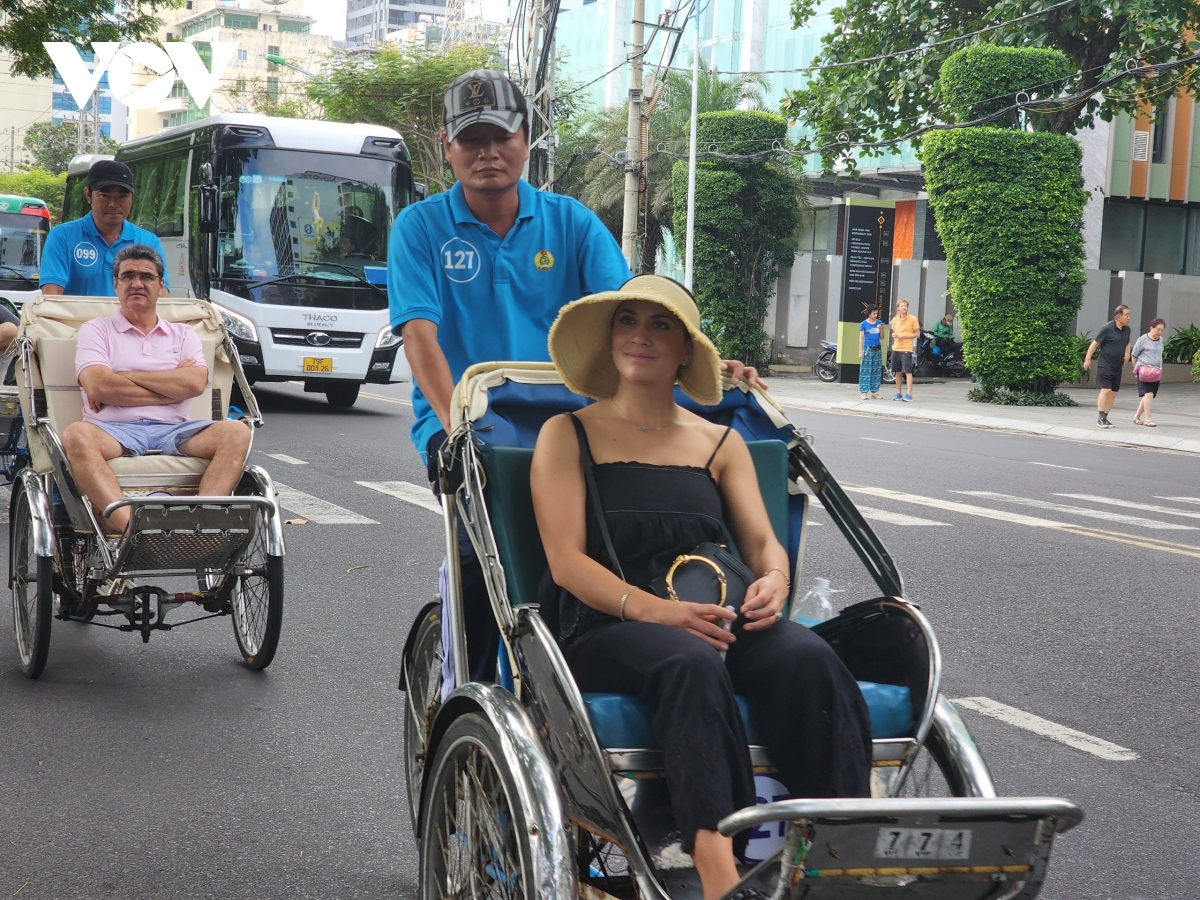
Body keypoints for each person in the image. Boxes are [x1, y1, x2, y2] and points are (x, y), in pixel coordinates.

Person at [389, 69, 762, 681]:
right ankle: (477, 694)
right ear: (448, 147)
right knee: (489, 556)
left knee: (621, 535)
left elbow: (632, 323)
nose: (488, 153)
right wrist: (458, 427)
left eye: (501, 136)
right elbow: (420, 337)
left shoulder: (572, 223)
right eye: (471, 140)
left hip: (576, 421)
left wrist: (703, 363)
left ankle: (601, 664)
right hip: (469, 422)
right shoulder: (421, 228)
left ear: (527, 138)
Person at [531, 275, 872, 900]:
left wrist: (775, 577)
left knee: (808, 658)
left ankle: (841, 853)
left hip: (714, 615)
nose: (640, 336)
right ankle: (719, 875)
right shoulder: (567, 434)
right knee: (687, 660)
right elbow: (565, 563)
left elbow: (763, 543)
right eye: (627, 321)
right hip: (606, 626)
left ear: (686, 350)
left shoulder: (720, 441)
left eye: (660, 325)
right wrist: (659, 613)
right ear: (609, 340)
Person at [61, 245, 251, 536]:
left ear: (161, 285)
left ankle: (199, 527)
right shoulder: (96, 330)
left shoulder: (184, 333)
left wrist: (125, 376)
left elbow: (194, 384)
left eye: (146, 277)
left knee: (238, 432)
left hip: (174, 429)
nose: (137, 283)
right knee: (75, 434)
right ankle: (132, 532)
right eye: (128, 276)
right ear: (116, 285)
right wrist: (172, 387)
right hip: (113, 430)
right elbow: (99, 384)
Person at [39, 160, 169, 298]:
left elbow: (161, 298)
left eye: (122, 196)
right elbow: (52, 298)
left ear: (132, 198)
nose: (113, 204)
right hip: (77, 320)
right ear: (88, 195)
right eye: (105, 195)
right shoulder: (62, 236)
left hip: (131, 321)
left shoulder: (149, 242)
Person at [1082, 304, 1132, 429]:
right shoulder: (1107, 328)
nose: (1129, 318)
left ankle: (1105, 417)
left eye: (1129, 315)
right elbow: (1095, 344)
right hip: (1105, 365)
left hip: (1117, 366)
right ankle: (1100, 418)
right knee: (1106, 390)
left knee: (1113, 393)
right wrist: (1087, 359)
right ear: (1118, 316)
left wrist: (1127, 354)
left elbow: (1127, 342)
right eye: (1127, 315)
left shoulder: (1127, 329)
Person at [1132, 317, 1166, 427]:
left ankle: (1136, 417)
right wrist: (1136, 370)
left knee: (1148, 396)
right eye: (1158, 330)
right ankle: (1148, 419)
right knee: (1148, 394)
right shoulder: (1142, 339)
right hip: (1144, 371)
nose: (1159, 332)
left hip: (1155, 372)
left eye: (1162, 330)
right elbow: (1134, 355)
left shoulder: (1161, 340)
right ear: (1151, 327)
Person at [889, 298, 920, 402]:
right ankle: (898, 392)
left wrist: (904, 336)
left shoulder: (912, 319)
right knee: (897, 371)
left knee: (907, 371)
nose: (904, 307)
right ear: (898, 307)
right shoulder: (895, 320)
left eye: (905, 306)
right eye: (902, 306)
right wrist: (895, 335)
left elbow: (917, 334)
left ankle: (909, 394)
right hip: (896, 348)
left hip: (907, 348)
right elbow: (895, 332)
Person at [857, 305, 883, 398]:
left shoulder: (879, 323)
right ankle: (864, 392)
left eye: (877, 313)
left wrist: (881, 329)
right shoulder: (864, 324)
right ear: (869, 313)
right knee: (865, 370)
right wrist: (860, 351)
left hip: (877, 348)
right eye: (874, 313)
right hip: (868, 348)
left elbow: (882, 337)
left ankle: (874, 391)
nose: (876, 315)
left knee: (876, 370)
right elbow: (861, 338)